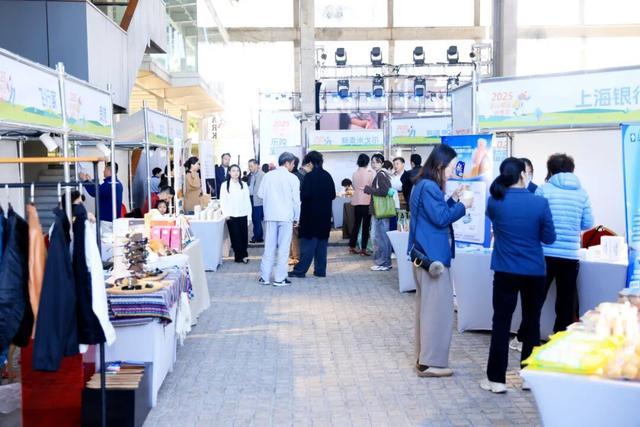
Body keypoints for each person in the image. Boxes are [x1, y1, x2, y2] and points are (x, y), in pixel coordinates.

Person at [480, 158, 556, 394]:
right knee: (532, 322)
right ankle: (528, 377)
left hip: (505, 270)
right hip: (534, 271)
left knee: (501, 323)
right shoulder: (540, 203)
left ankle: (496, 380)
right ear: (524, 174)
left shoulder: (494, 202)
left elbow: (495, 222)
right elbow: (549, 238)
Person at [408, 144, 472, 378]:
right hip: (433, 259)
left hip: (424, 255)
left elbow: (434, 215)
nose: (453, 171)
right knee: (437, 314)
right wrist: (464, 205)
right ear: (440, 165)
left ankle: (424, 359)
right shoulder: (430, 187)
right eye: (451, 167)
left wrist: (453, 199)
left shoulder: (422, 185)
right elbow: (441, 219)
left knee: (427, 312)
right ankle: (431, 363)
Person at [537, 153, 594, 333]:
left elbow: (535, 217)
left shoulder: (543, 189)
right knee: (566, 301)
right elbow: (588, 223)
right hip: (570, 254)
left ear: (550, 170)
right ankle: (559, 339)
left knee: (536, 298)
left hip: (545, 252)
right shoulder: (582, 193)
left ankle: (526, 337)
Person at [289, 151, 336, 279]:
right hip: (324, 216)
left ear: (310, 163)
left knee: (308, 245)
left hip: (310, 216)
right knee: (322, 245)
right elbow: (332, 194)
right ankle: (320, 271)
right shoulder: (327, 176)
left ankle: (300, 271)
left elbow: (305, 195)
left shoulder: (309, 177)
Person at [257, 152, 301, 286]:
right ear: (287, 163)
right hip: (286, 217)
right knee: (283, 248)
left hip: (270, 215)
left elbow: (260, 194)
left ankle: (264, 277)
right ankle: (279, 278)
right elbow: (296, 201)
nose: (293, 166)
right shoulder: (293, 178)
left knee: (269, 247)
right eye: (293, 163)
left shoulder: (268, 176)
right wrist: (297, 217)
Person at [364, 154, 393, 271]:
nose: (374, 164)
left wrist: (369, 189)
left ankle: (383, 263)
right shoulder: (383, 174)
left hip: (380, 212)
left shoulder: (381, 175)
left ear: (382, 163)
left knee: (380, 238)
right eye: (372, 162)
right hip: (381, 211)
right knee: (381, 237)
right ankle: (384, 262)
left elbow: (384, 191)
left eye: (377, 162)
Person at [220, 165, 252, 264]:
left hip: (243, 214)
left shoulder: (244, 184)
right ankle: (239, 256)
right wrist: (226, 214)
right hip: (231, 215)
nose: (236, 173)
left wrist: (249, 216)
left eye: (237, 170)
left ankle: (244, 255)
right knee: (235, 237)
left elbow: (247, 201)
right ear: (229, 172)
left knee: (244, 236)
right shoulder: (225, 185)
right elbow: (223, 201)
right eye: (233, 171)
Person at [349, 154, 375, 256]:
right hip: (366, 201)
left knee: (356, 224)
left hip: (357, 201)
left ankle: (352, 247)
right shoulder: (370, 173)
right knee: (365, 226)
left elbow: (354, 186)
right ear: (367, 162)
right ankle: (363, 249)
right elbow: (372, 186)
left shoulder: (354, 173)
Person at [289, 156, 305, 266]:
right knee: (296, 233)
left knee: (293, 233)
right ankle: (295, 255)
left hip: (293, 209)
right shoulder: (302, 176)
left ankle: (295, 256)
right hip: (301, 208)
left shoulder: (292, 177)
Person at [248, 159, 265, 243]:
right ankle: (258, 236)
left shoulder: (261, 175)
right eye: (249, 166)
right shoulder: (253, 175)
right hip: (253, 200)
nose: (249, 168)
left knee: (256, 219)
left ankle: (257, 237)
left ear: (256, 165)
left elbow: (257, 190)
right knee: (255, 219)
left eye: (251, 166)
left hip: (258, 201)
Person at [383, 160, 401, 231]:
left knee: (384, 225)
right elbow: (399, 187)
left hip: (383, 205)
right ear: (389, 168)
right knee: (392, 225)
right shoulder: (391, 178)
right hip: (392, 204)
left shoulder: (379, 176)